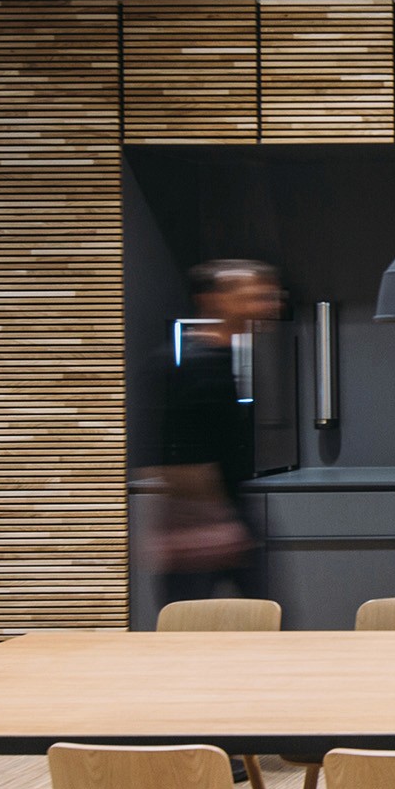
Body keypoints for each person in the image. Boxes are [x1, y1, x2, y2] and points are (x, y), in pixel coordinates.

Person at [152, 258, 282, 609]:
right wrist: (221, 521)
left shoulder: (224, 357)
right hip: (204, 524)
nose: (269, 304)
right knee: (189, 627)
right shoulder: (197, 364)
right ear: (214, 300)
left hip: (224, 516)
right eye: (255, 296)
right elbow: (180, 458)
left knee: (267, 619)